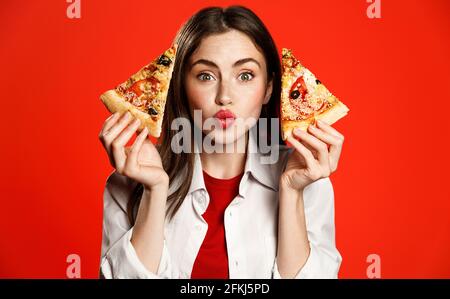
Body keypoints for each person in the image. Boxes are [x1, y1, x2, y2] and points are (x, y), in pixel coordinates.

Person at [98, 5, 344, 279]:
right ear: (179, 86)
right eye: (206, 76)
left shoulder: (307, 180)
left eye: (245, 75)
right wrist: (155, 190)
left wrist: (292, 192)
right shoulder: (130, 181)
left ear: (269, 89)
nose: (224, 96)